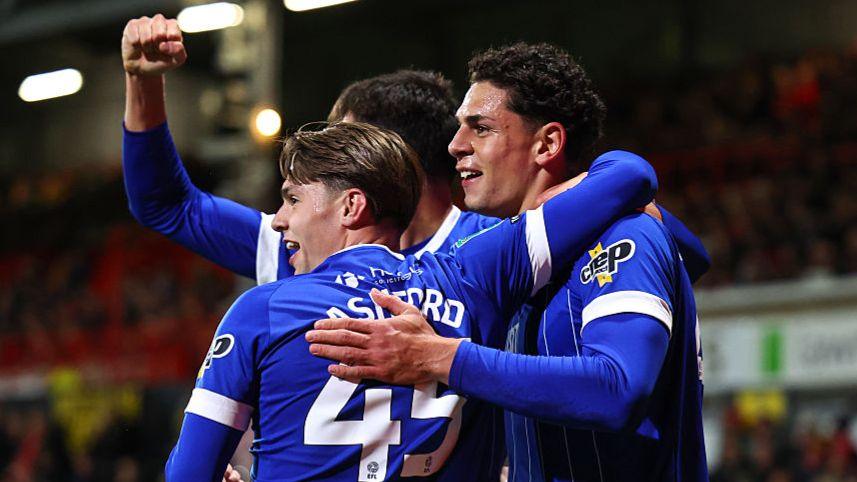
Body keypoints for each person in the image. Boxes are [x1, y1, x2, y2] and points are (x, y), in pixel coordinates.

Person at [164, 121, 660, 480]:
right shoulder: (473, 276)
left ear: (351, 205)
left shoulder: (261, 310)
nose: (277, 220)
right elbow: (631, 172)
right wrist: (556, 199)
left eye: (292, 199)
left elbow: (189, 472)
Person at [307, 43, 708, 481]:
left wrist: (442, 357)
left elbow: (619, 388)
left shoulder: (623, 235)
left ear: (548, 143)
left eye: (480, 128)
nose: (456, 145)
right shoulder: (512, 262)